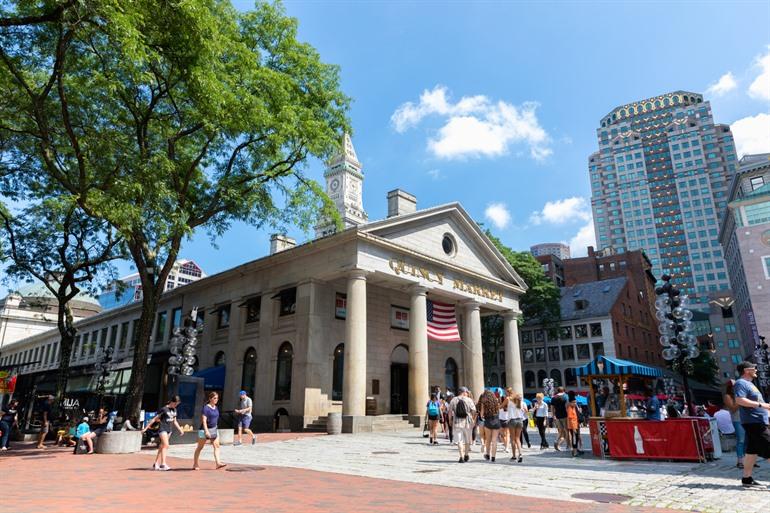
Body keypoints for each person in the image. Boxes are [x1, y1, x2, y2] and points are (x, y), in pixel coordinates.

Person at [733, 361, 770, 487]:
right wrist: (762, 405)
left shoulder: (750, 384)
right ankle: (747, 479)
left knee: (751, 452)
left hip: (757, 421)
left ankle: (747, 479)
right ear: (746, 370)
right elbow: (739, 400)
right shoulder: (741, 383)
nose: (756, 370)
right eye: (754, 368)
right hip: (754, 422)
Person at [143, 395, 185, 471]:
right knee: (166, 445)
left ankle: (155, 463)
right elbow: (154, 419)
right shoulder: (164, 409)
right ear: (172, 402)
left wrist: (180, 429)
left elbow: (175, 421)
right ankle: (163, 464)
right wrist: (145, 428)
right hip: (162, 429)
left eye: (177, 404)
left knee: (162, 447)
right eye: (175, 403)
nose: (176, 405)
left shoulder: (174, 410)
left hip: (169, 430)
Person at [193, 392, 227, 470]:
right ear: (210, 399)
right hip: (203, 430)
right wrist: (206, 431)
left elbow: (215, 419)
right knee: (200, 447)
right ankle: (195, 464)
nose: (216, 400)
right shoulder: (206, 408)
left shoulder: (216, 407)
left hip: (214, 429)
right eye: (214, 398)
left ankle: (218, 463)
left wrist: (216, 427)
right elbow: (204, 421)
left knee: (217, 446)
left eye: (217, 398)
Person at [723, 379, 747, 469]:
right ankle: (740, 461)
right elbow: (733, 409)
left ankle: (748, 460)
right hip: (737, 420)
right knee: (741, 440)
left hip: (746, 419)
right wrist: (740, 399)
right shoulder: (728, 396)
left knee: (747, 441)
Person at [448, 386, 476, 463]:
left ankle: (461, 457)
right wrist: (473, 419)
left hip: (457, 422)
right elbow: (474, 411)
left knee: (459, 441)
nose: (467, 393)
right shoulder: (469, 400)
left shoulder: (453, 400)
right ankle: (466, 455)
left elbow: (450, 412)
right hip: (467, 423)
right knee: (467, 440)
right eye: (466, 392)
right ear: (464, 392)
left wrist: (450, 420)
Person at [478, 389, 500, 462]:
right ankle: (493, 457)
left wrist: (482, 416)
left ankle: (487, 454)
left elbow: (481, 414)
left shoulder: (484, 402)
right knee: (494, 440)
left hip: (488, 420)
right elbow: (498, 410)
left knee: (488, 439)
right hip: (496, 420)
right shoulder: (496, 401)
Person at [507, 390, 525, 463]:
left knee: (513, 439)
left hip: (512, 421)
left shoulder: (510, 402)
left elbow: (508, 411)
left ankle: (514, 456)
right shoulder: (521, 403)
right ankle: (520, 454)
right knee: (518, 438)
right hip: (520, 420)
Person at [550, 387, 570, 452]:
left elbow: (552, 407)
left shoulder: (553, 398)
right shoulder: (566, 397)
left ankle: (556, 441)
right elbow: (567, 406)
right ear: (563, 391)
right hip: (565, 416)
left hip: (558, 416)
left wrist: (553, 416)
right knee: (567, 431)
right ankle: (568, 445)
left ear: (557, 391)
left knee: (560, 431)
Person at [566, 391, 581, 457]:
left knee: (576, 438)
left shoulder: (573, 407)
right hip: (573, 426)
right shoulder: (570, 408)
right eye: (574, 402)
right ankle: (574, 452)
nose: (575, 403)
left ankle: (575, 450)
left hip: (575, 425)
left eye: (575, 402)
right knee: (574, 438)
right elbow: (571, 419)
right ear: (570, 403)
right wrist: (574, 428)